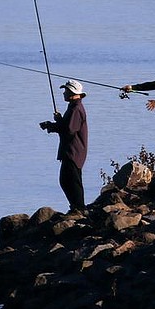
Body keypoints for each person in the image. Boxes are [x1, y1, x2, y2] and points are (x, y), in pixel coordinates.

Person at [39, 79, 88, 212]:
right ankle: (77, 207)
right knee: (67, 180)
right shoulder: (73, 107)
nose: (64, 93)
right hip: (72, 151)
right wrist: (58, 122)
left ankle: (79, 208)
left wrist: (52, 125)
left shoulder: (76, 109)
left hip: (73, 152)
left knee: (70, 181)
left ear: (72, 92)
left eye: (65, 90)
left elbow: (69, 130)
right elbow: (68, 127)